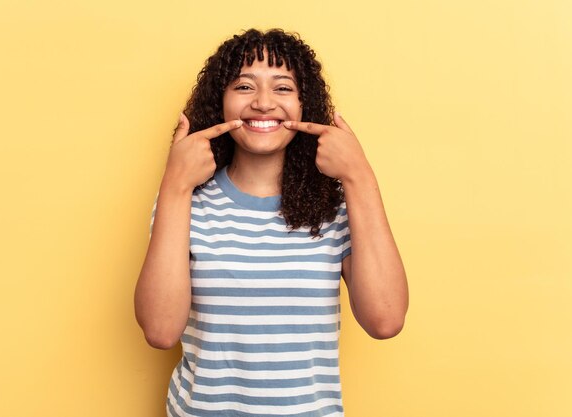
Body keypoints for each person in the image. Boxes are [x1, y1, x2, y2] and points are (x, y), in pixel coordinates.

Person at [134, 28, 409, 417]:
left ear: (304, 105)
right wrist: (175, 184)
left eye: (282, 88)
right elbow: (160, 332)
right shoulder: (184, 201)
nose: (263, 104)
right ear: (221, 102)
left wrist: (359, 176)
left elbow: (386, 319)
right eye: (244, 87)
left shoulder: (337, 206)